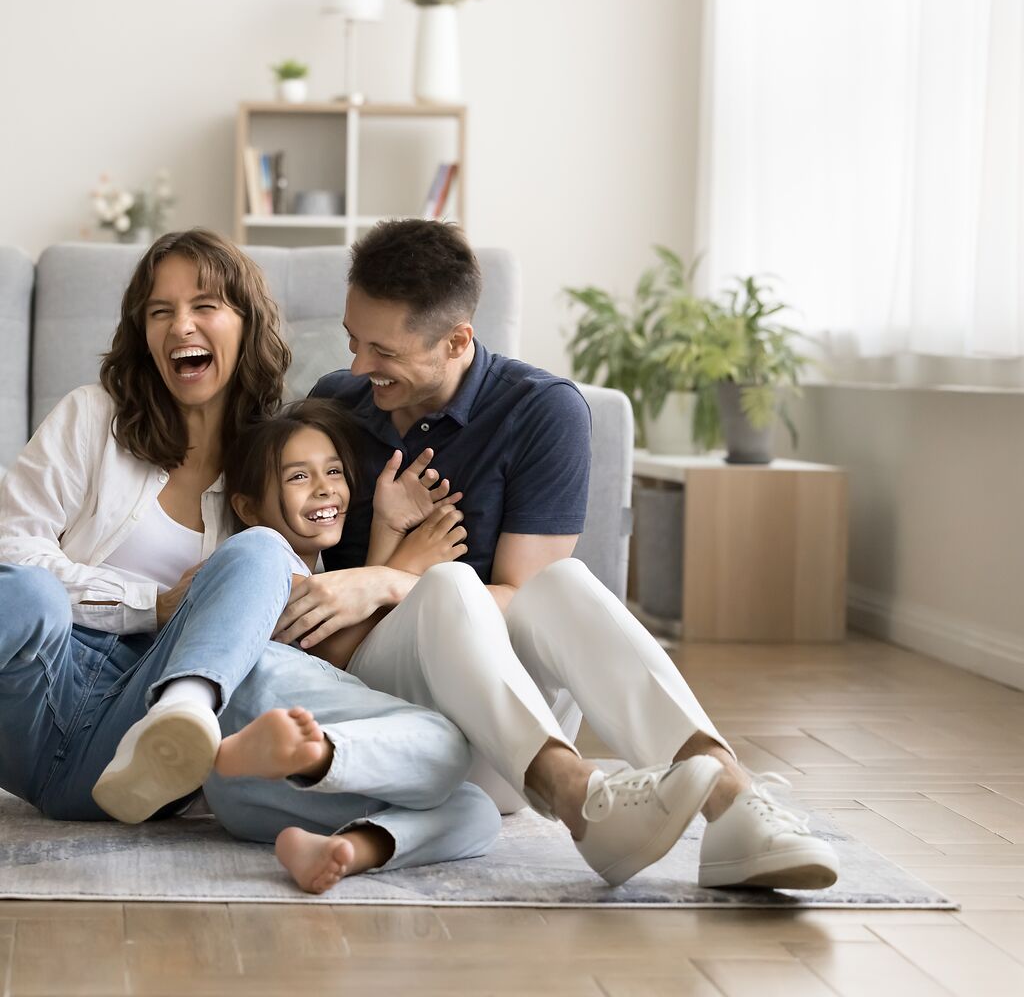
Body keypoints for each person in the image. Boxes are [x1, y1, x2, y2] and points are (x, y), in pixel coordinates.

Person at [255, 217, 839, 891]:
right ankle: (579, 797)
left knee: (562, 583)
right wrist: (396, 572)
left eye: (383, 351)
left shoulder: (541, 411)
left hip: (506, 742)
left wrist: (385, 581)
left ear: (457, 341)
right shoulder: (338, 403)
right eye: (354, 341)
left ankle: (734, 803)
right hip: (392, 732)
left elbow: (522, 597)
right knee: (448, 586)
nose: (359, 368)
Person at [0, 228, 498, 880]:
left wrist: (387, 559)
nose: (181, 325)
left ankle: (191, 724)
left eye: (204, 305)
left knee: (472, 804)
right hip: (48, 683)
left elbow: (304, 613)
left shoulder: (274, 460)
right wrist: (152, 606)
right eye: (160, 311)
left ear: (246, 323)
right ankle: (186, 713)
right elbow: (12, 547)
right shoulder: (93, 417)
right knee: (26, 593)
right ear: (143, 334)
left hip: (145, 739)